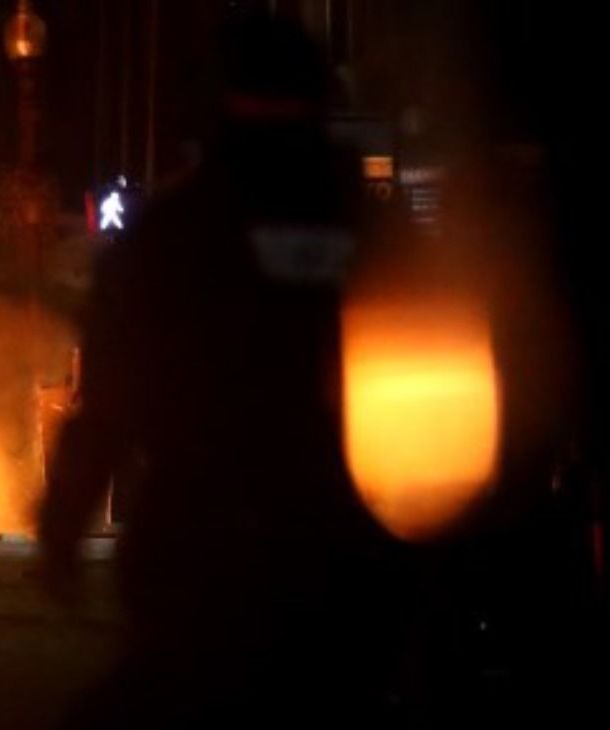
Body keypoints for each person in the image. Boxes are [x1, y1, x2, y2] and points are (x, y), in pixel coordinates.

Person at [37, 15, 392, 727]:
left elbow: (108, 401)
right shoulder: (379, 241)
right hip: (347, 548)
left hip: (201, 540)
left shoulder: (173, 236)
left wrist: (64, 528)